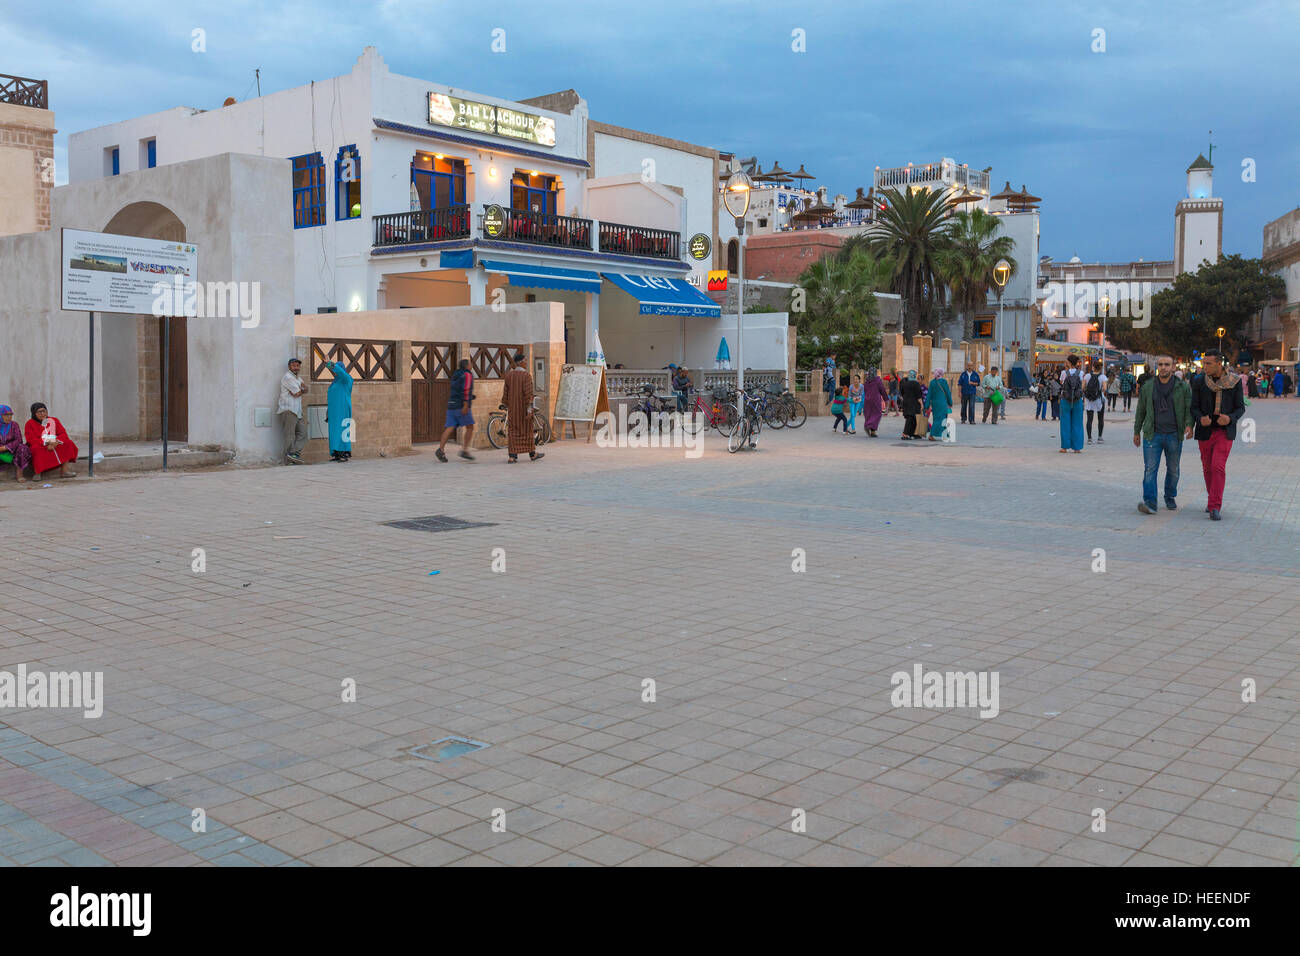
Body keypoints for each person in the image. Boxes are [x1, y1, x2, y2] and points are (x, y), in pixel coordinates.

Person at [1133, 355, 1192, 515]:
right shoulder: (1148, 386)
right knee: (1150, 470)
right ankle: (1150, 503)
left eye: (1167, 364)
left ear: (1173, 367)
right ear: (1157, 366)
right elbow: (1141, 410)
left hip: (1174, 434)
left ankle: (1170, 496)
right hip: (1153, 434)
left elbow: (1188, 408)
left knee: (1173, 469)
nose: (1164, 367)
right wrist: (1136, 431)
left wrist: (1189, 425)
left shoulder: (1182, 387)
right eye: (1161, 364)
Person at [1188, 349, 1243, 520]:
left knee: (1218, 467)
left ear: (1219, 364)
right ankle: (1212, 498)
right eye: (1204, 363)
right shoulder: (1198, 381)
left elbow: (1240, 407)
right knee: (1207, 468)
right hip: (1205, 431)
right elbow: (1193, 406)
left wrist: (1230, 418)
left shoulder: (1235, 381)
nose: (1205, 367)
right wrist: (1200, 418)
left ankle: (1214, 506)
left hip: (1224, 432)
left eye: (1208, 363)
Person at [502, 351, 543, 463]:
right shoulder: (526, 376)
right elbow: (529, 395)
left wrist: (506, 404)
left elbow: (505, 393)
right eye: (525, 361)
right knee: (527, 432)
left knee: (513, 432)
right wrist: (530, 410)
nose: (526, 363)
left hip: (513, 410)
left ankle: (512, 456)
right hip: (523, 410)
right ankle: (532, 454)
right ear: (520, 363)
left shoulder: (509, 376)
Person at [436, 358, 476, 462]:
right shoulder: (467, 374)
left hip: (451, 404)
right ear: (466, 366)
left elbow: (457, 389)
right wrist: (466, 404)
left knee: (449, 427)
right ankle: (465, 450)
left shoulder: (456, 375)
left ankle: (440, 449)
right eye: (470, 363)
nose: (472, 365)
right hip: (461, 405)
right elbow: (466, 389)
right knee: (470, 427)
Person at [24, 403, 78, 478]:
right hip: (41, 444)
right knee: (35, 449)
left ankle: (64, 471)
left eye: (44, 411)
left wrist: (55, 442)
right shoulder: (29, 424)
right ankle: (37, 472)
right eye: (39, 412)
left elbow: (63, 433)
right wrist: (47, 442)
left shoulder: (54, 420)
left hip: (55, 442)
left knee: (68, 443)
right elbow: (31, 439)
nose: (42, 414)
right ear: (34, 413)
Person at [278, 357, 308, 464]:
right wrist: (301, 390)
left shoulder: (298, 379)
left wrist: (301, 390)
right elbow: (297, 393)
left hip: (297, 411)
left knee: (303, 433)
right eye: (294, 365)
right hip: (288, 410)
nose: (296, 367)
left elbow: (306, 389)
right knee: (289, 435)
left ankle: (293, 454)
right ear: (289, 366)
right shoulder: (288, 377)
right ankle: (287, 460)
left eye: (298, 365)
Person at [325, 359, 353, 462]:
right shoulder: (335, 382)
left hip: (343, 409)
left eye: (337, 369)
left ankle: (345, 453)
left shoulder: (347, 379)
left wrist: (329, 363)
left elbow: (341, 372)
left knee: (343, 429)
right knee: (334, 431)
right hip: (334, 411)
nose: (335, 372)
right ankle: (336, 453)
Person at [1058, 354, 1085, 453]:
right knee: (1077, 423)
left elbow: (1061, 383)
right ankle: (1077, 448)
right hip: (1078, 400)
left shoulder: (1064, 373)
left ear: (1069, 362)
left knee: (1065, 423)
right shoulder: (1081, 373)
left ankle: (1064, 447)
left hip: (1066, 399)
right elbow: (1082, 385)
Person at [0, 404, 32, 482]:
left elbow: (18, 440)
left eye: (10, 414)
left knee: (22, 448)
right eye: (6, 415)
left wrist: (5, 447)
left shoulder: (14, 425)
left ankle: (19, 473)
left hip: (12, 451)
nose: (9, 417)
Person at [925, 369, 953, 442]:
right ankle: (932, 435)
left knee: (937, 418)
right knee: (941, 419)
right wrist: (950, 402)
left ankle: (945, 435)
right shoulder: (943, 382)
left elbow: (929, 395)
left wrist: (927, 405)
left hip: (934, 404)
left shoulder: (932, 382)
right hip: (942, 403)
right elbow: (947, 393)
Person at [1083, 361, 1107, 443]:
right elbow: (1104, 388)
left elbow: (1082, 387)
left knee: (1089, 419)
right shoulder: (1103, 377)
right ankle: (1100, 437)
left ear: (1092, 367)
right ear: (1100, 368)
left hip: (1089, 400)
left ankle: (1089, 438)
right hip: (1099, 399)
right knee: (1100, 418)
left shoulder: (1087, 376)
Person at [861, 368, 888, 437]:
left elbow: (865, 390)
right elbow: (882, 390)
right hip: (875, 400)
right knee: (877, 414)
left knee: (869, 414)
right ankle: (868, 426)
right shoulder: (878, 381)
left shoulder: (866, 381)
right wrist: (886, 399)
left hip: (867, 400)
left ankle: (873, 432)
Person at [899, 370, 924, 439]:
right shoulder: (916, 384)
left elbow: (902, 393)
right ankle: (905, 434)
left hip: (906, 403)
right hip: (914, 404)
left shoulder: (905, 383)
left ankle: (912, 433)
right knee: (910, 419)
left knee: (912, 418)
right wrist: (922, 404)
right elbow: (919, 395)